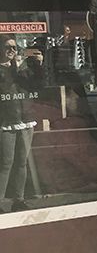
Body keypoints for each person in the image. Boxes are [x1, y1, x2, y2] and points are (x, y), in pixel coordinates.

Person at [0, 35, 44, 200]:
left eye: (14, 47)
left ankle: (19, 199)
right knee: (5, 163)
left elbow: (37, 85)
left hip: (25, 119)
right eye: (7, 47)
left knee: (21, 162)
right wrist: (13, 67)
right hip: (6, 121)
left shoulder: (21, 68)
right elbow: (4, 86)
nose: (12, 50)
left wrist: (39, 65)